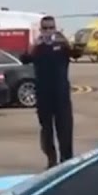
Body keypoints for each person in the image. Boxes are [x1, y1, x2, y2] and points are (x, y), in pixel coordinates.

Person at [29, 15, 74, 168]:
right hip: (43, 95)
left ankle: (66, 160)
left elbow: (76, 53)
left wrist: (65, 42)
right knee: (46, 130)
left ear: (55, 28)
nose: (48, 31)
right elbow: (24, 58)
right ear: (41, 30)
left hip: (61, 95)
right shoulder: (38, 48)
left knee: (65, 128)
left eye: (51, 28)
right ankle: (51, 159)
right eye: (45, 28)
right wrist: (34, 45)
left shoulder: (62, 46)